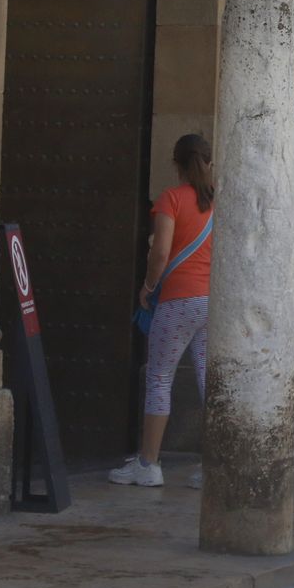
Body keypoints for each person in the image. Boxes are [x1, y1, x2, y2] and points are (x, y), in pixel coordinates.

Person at [113, 133, 215, 489]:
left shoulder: (171, 198)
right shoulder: (217, 202)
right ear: (209, 163)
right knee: (209, 382)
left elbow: (160, 253)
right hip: (209, 302)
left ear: (176, 164)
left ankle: (148, 463)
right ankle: (214, 467)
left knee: (159, 378)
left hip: (177, 302)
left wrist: (148, 286)